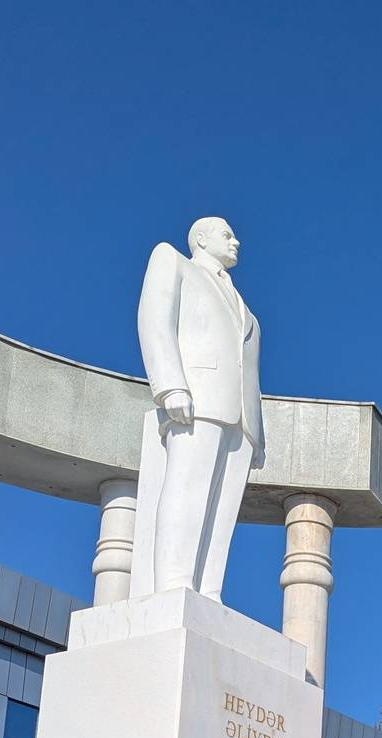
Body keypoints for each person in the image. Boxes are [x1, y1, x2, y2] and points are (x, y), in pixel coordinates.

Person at [132, 216, 265, 599]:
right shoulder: (173, 261)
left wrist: (257, 432)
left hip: (239, 417)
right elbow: (154, 321)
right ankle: (174, 580)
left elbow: (249, 370)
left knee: (223, 507)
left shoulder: (247, 311)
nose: (236, 242)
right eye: (227, 235)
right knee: (187, 487)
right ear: (202, 239)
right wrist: (170, 385)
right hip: (196, 397)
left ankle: (208, 589)